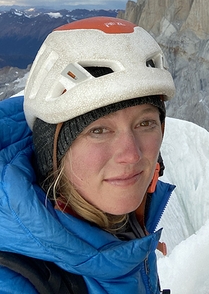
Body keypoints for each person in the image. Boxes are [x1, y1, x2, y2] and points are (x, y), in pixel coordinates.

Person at [0, 16, 176, 294]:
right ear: (52, 153)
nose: (131, 155)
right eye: (99, 130)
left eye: (145, 123)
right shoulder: (15, 281)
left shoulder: (120, 225)